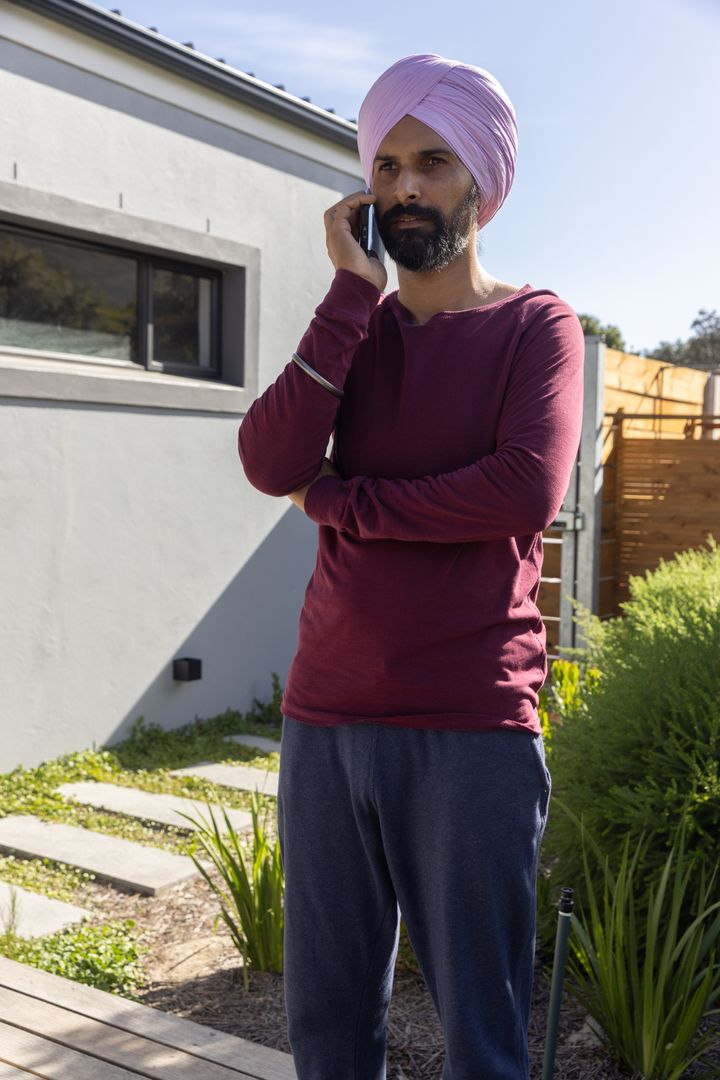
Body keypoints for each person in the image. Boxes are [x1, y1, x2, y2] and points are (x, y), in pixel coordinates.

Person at [238, 53, 584, 1080]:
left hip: (469, 723)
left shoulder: (538, 327)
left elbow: (521, 490)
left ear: (482, 180)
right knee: (330, 1029)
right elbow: (268, 460)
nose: (404, 188)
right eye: (386, 166)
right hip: (327, 715)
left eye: (431, 162)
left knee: (483, 1036)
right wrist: (351, 294)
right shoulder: (359, 331)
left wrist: (342, 501)